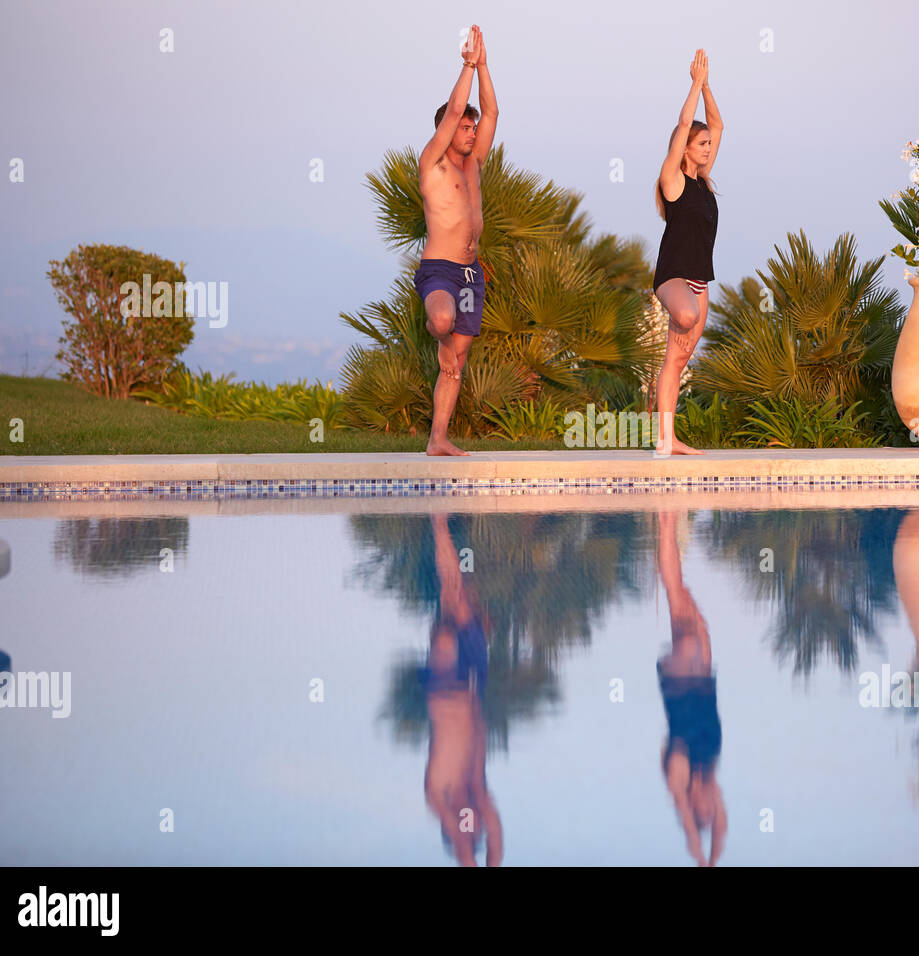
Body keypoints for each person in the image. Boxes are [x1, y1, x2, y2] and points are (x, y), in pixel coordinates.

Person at [415, 25, 499, 456]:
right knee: (444, 325)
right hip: (440, 271)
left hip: (471, 274)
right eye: (465, 128)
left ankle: (437, 440)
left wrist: (484, 66)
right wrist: (466, 64)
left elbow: (493, 112)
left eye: (471, 127)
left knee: (456, 365)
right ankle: (436, 329)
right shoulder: (433, 164)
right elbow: (451, 114)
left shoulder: (473, 164)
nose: (471, 132)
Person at [651, 49, 723, 456]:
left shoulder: (704, 184)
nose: (709, 147)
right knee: (686, 316)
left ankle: (667, 439)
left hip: (700, 279)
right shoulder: (672, 182)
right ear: (685, 150)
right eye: (702, 144)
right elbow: (684, 124)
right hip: (673, 277)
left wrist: (709, 85)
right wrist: (694, 84)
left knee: (677, 361)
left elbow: (718, 122)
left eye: (710, 145)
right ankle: (665, 439)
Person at [420, 512, 503, 866]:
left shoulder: (439, 795)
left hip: (446, 687)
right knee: (459, 597)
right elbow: (496, 838)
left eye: (470, 829)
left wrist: (467, 849)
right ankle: (443, 526)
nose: (476, 824)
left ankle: (439, 523)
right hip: (473, 685)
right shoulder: (477, 790)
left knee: (451, 600)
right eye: (477, 827)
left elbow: (463, 842)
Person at [654, 509, 726, 865]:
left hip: (682, 679)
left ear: (697, 811)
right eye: (713, 809)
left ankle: (665, 522)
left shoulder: (680, 778)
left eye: (707, 812)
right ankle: (667, 524)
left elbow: (688, 828)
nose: (713, 807)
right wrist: (716, 852)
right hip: (702, 676)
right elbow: (723, 828)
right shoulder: (709, 774)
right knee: (682, 597)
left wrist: (704, 860)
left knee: (676, 598)